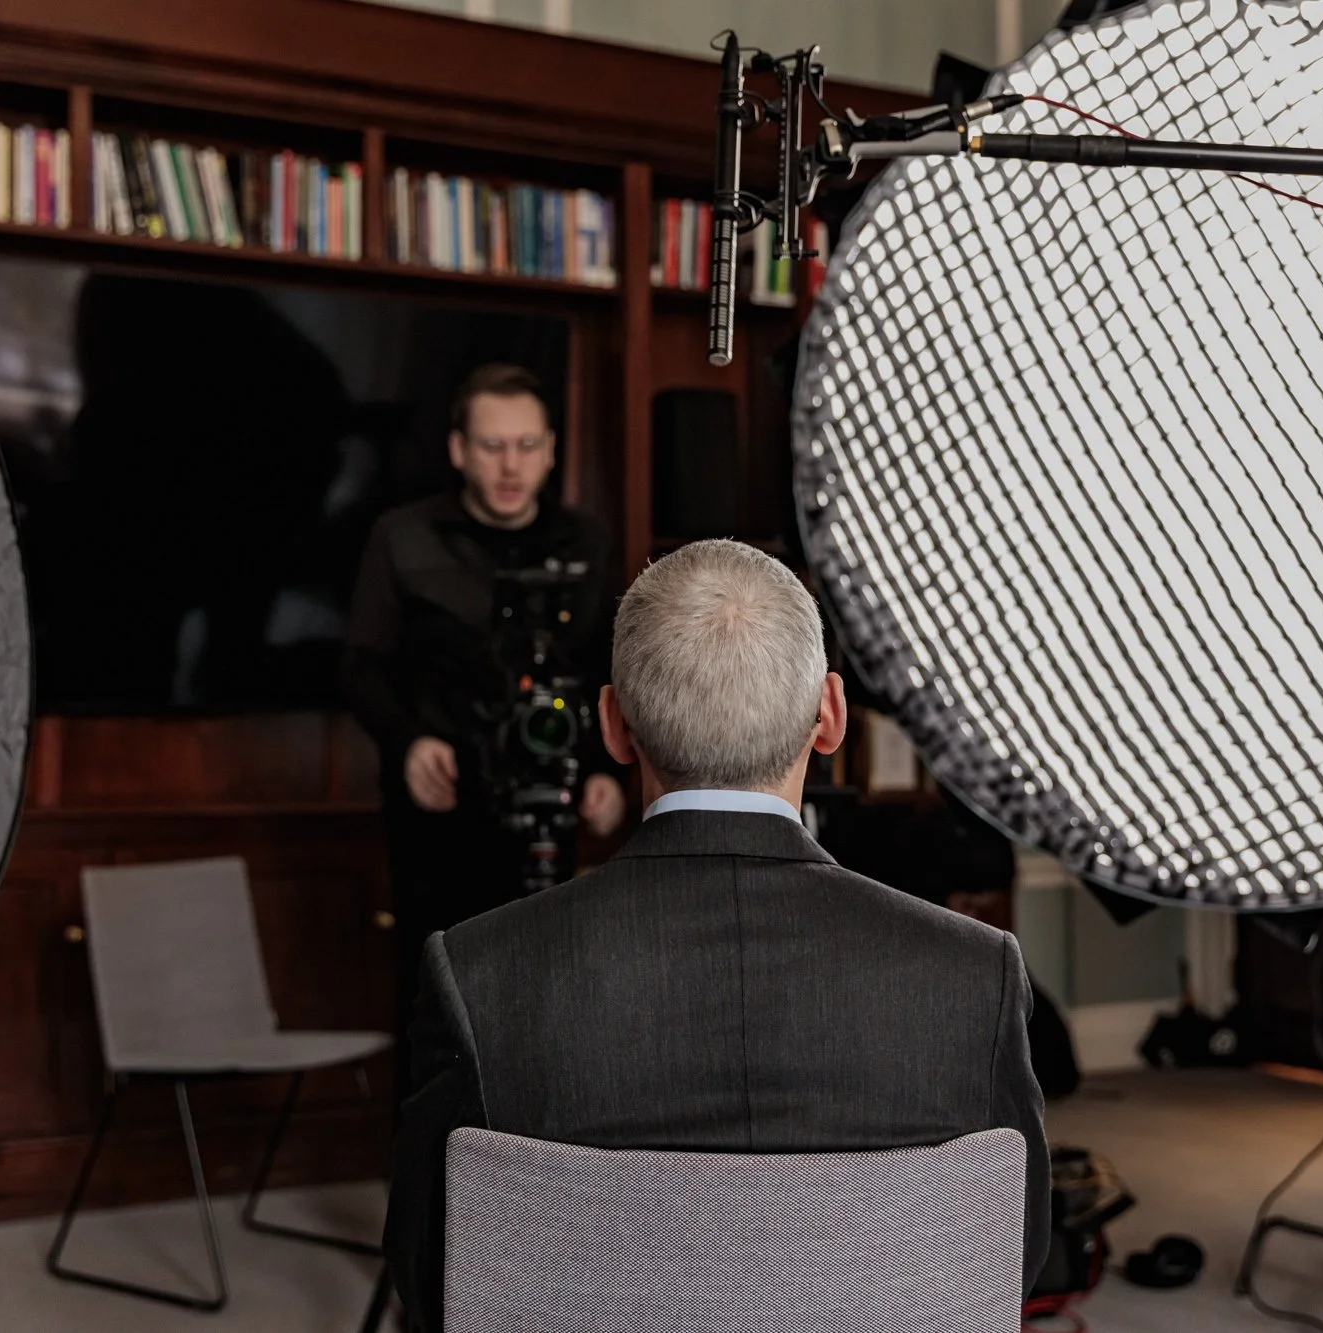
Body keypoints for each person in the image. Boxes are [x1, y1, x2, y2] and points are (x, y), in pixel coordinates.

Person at [384, 539, 1050, 1333]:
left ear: (613, 726)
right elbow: (1010, 1253)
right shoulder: (974, 973)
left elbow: (433, 1278)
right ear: (830, 716)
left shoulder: (479, 973)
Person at [341, 364, 627, 1094]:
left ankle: (530, 1188)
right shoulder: (402, 537)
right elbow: (361, 668)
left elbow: (612, 672)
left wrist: (605, 768)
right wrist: (409, 743)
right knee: (435, 1003)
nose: (510, 464)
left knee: (549, 998)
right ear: (459, 449)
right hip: (439, 813)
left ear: (551, 450)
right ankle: (427, 1196)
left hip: (551, 813)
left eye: (526, 444)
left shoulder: (589, 545)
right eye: (494, 446)